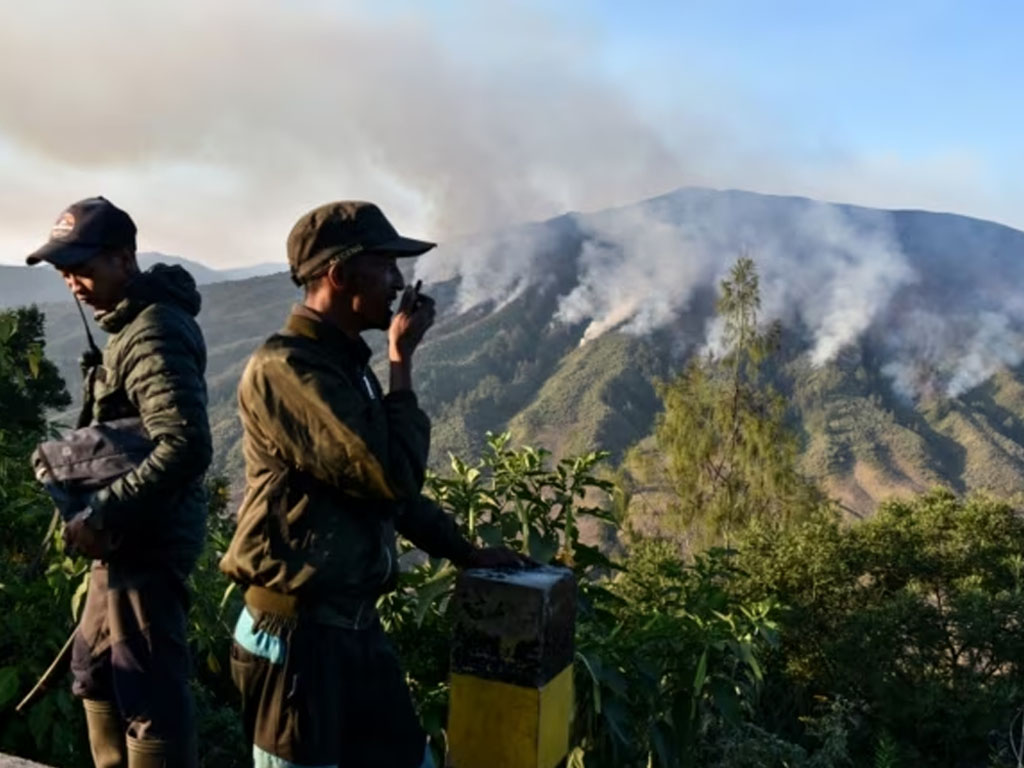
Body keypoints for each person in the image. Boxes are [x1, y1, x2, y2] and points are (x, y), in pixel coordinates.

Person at [219, 201, 526, 768]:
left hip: (352, 630)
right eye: (386, 266)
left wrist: (465, 553)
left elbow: (388, 497)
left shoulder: (342, 366)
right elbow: (387, 475)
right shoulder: (288, 370)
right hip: (297, 641)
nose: (397, 282)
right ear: (339, 274)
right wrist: (401, 363)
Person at [26, 196, 211, 768]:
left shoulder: (153, 333)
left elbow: (185, 445)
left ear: (124, 260)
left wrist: (101, 513)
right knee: (96, 671)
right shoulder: (131, 326)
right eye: (64, 271)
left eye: (81, 266)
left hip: (147, 547)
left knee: (150, 695)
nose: (72, 282)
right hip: (127, 545)